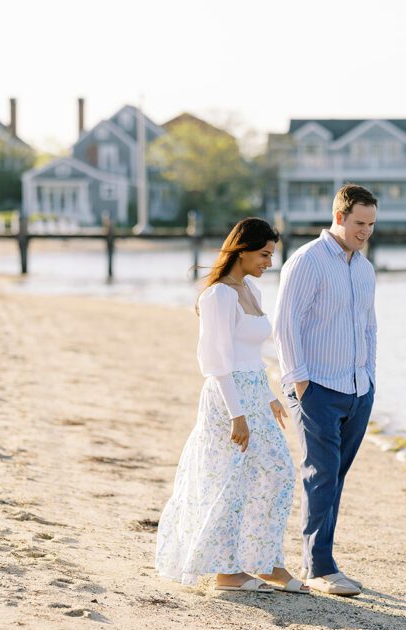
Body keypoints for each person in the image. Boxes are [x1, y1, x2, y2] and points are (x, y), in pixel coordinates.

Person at [156, 217, 308, 594]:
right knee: (231, 482)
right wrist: (237, 415)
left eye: (271, 255)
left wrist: (268, 395)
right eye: (263, 254)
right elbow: (217, 362)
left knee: (277, 473)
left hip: (255, 391)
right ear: (241, 250)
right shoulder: (219, 295)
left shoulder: (249, 291)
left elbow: (251, 353)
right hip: (229, 399)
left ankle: (265, 561)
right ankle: (227, 572)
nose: (269, 262)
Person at [273, 185, 378, 597]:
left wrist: (369, 377)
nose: (365, 232)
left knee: (336, 477)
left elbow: (369, 327)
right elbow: (286, 325)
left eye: (371, 224)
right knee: (321, 475)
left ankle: (323, 561)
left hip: (357, 387)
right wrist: (300, 382)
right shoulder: (307, 262)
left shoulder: (364, 268)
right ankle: (319, 567)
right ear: (339, 217)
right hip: (316, 387)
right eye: (359, 223)